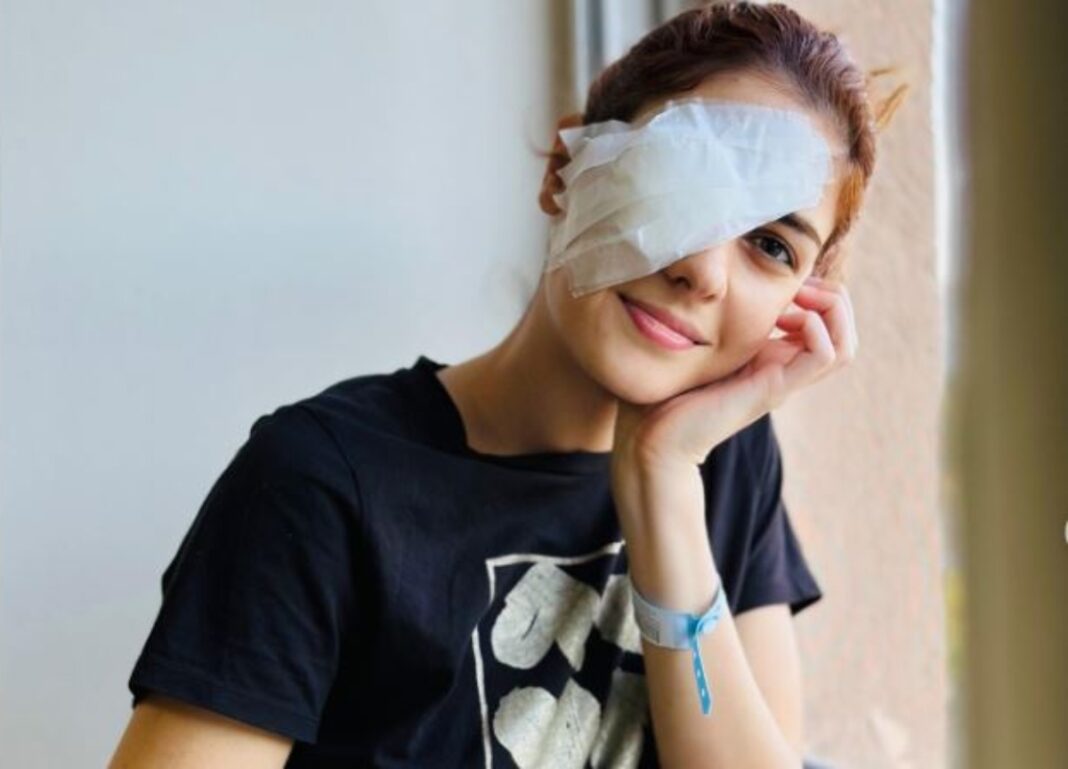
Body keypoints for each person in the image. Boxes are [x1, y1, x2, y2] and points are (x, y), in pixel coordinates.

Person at [108, 3, 905, 767]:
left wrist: (661, 480)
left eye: (771, 245)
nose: (701, 268)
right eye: (681, 178)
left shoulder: (725, 458)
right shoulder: (322, 482)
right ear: (565, 171)